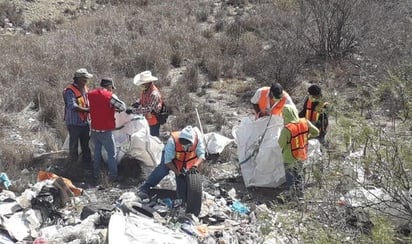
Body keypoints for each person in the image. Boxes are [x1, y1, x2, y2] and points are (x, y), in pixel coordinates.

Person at [138, 126, 206, 202]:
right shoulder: (172, 141)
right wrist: (177, 173)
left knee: (183, 180)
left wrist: (195, 165)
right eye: (182, 143)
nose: (184, 146)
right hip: (171, 158)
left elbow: (202, 155)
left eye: (187, 144)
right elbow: (168, 161)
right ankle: (145, 188)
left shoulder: (198, 140)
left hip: (185, 159)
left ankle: (182, 199)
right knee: (162, 170)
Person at [88, 78, 126, 182]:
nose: (112, 90)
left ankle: (96, 174)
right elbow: (122, 107)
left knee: (96, 153)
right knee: (111, 153)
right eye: (111, 88)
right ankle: (113, 175)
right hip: (106, 131)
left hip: (94, 129)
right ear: (109, 86)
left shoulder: (91, 94)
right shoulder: (110, 96)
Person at [278, 104, 319, 196]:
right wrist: (306, 137)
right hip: (301, 154)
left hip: (289, 157)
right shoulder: (305, 122)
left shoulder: (287, 129)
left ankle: (292, 195)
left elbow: (281, 144)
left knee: (290, 177)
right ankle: (300, 194)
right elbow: (316, 132)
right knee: (299, 175)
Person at [63, 68, 93, 167]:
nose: (86, 82)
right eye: (85, 80)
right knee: (74, 146)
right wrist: (88, 110)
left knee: (86, 145)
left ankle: (87, 165)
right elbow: (72, 106)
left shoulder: (84, 87)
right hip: (74, 123)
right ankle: (73, 167)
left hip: (84, 122)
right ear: (79, 79)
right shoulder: (70, 90)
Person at [126, 70, 164, 137]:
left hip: (153, 122)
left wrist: (133, 111)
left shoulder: (154, 94)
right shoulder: (146, 90)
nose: (141, 85)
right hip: (147, 120)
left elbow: (148, 109)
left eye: (142, 83)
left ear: (148, 82)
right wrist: (137, 102)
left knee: (153, 140)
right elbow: (142, 98)